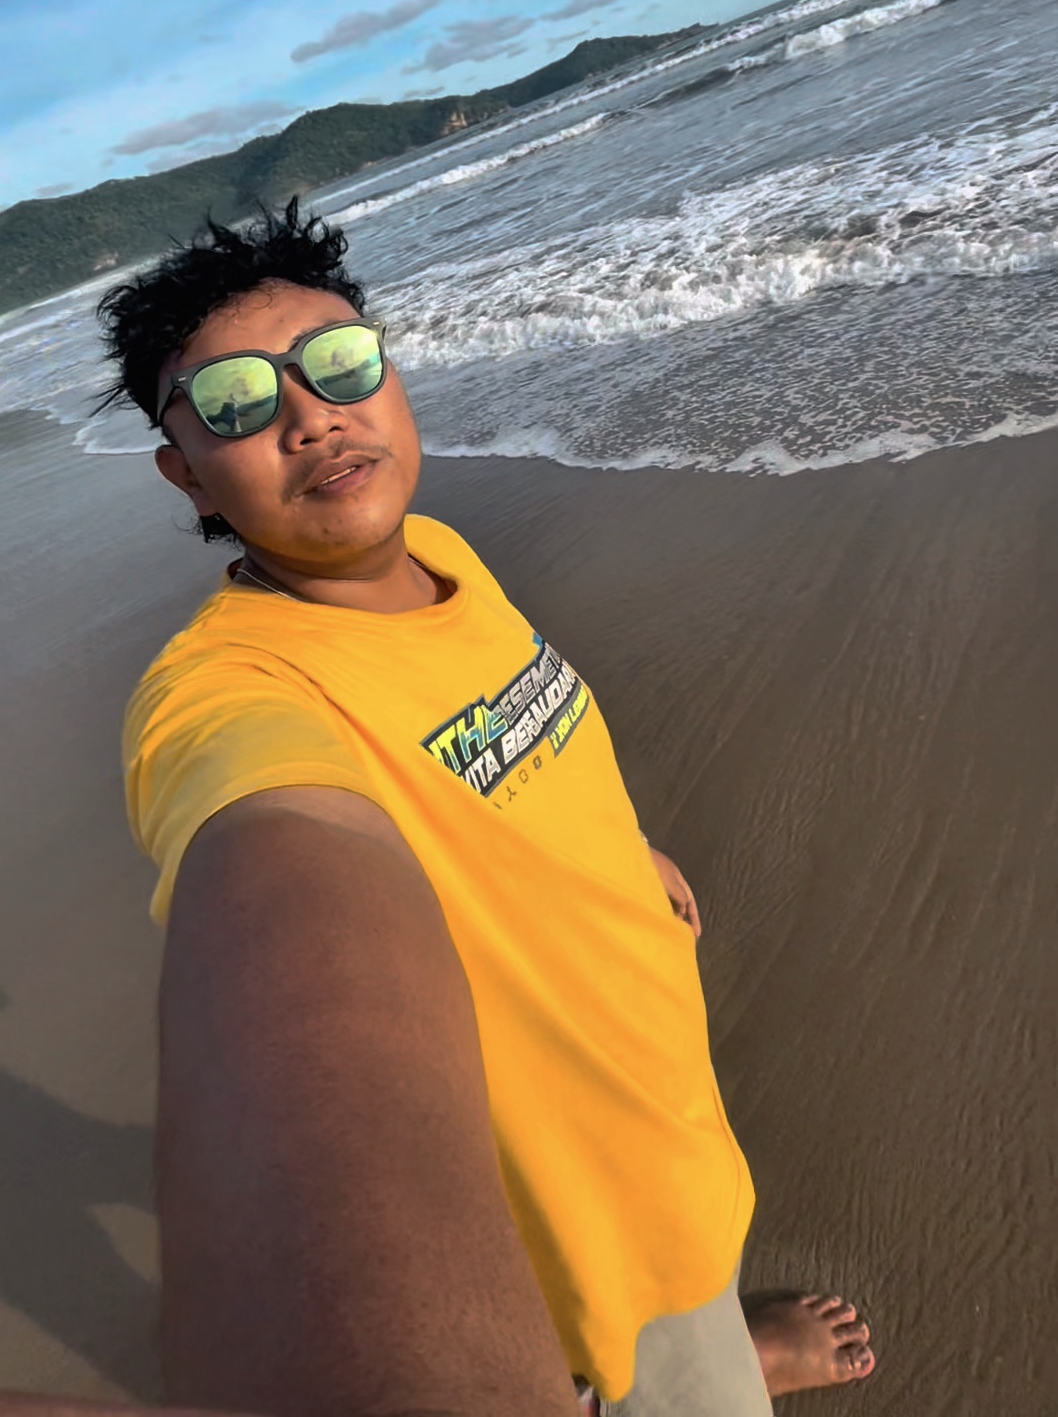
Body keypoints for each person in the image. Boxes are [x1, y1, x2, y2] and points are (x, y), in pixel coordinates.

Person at [89, 200, 874, 1417]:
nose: (311, 416)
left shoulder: (441, 552)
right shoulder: (224, 693)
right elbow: (278, 881)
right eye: (236, 400)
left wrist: (627, 852)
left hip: (646, 1076)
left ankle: (719, 1340)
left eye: (338, 362)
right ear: (183, 470)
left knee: (700, 1249)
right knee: (656, 1350)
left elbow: (519, 744)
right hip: (586, 1216)